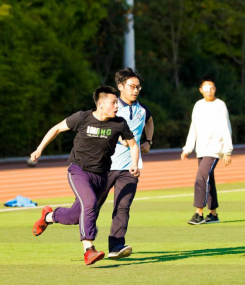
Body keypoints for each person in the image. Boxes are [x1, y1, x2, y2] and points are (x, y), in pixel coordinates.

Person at [48, 68, 154, 260]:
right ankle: (51, 216)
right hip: (103, 168)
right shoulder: (110, 107)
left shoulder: (142, 109)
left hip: (130, 168)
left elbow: (149, 121)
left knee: (123, 206)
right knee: (85, 209)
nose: (136, 90)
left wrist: (149, 141)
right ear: (121, 87)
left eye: (139, 86)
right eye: (132, 86)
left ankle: (115, 246)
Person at [30, 86, 140, 266]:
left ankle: (48, 216)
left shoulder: (119, 123)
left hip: (101, 175)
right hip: (79, 171)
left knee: (75, 216)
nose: (116, 106)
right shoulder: (82, 117)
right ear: (100, 104)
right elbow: (56, 129)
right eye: (113, 103)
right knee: (89, 203)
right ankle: (89, 250)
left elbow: (133, 145)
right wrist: (39, 148)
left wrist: (134, 163)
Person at [181, 75, 233, 225]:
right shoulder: (198, 105)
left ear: (215, 89)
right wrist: (188, 148)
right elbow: (193, 127)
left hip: (215, 149)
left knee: (201, 178)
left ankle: (198, 213)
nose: (209, 91)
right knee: (209, 181)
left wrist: (227, 151)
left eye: (212, 88)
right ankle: (213, 214)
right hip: (201, 149)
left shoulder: (220, 105)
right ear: (200, 90)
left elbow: (226, 127)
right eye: (206, 88)